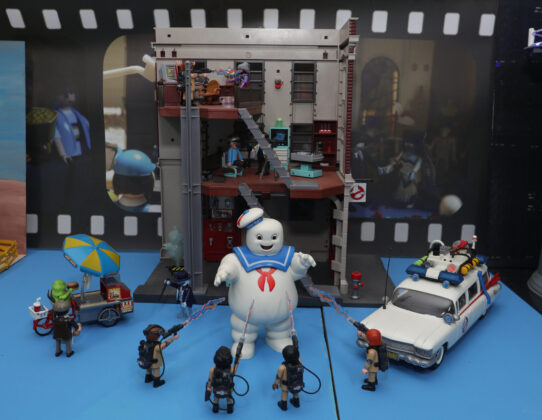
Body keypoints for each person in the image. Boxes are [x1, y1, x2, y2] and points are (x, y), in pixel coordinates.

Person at [273, 344, 304, 410]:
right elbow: (298, 357)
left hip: (285, 384)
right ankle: (296, 402)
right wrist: (296, 351)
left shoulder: (282, 367)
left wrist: (275, 383)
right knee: (296, 392)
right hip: (297, 383)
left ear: (284, 357)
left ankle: (283, 405)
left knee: (284, 392)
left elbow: (278, 377)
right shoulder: (300, 363)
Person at [206, 346, 236, 414]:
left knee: (216, 398)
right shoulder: (231, 370)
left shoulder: (212, 370)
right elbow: (235, 369)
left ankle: (215, 408)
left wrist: (208, 388)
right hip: (228, 389)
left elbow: (210, 380)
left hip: (216, 389)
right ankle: (230, 409)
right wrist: (238, 360)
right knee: (229, 399)